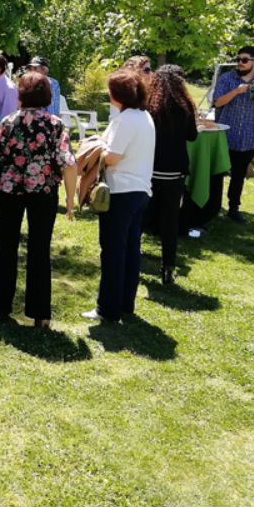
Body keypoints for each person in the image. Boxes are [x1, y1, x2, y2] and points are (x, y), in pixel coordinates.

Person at [0, 71, 77, 328]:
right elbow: (67, 162)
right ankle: (40, 314)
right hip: (43, 192)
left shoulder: (7, 122)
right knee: (39, 249)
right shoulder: (55, 125)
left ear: (22, 94)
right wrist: (70, 201)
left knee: (6, 246)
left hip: (9, 191)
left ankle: (0, 308)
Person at [82, 70, 155, 322]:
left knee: (113, 251)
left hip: (122, 192)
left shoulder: (126, 120)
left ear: (118, 95)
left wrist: (95, 151)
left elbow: (113, 157)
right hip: (140, 190)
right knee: (131, 250)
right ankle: (125, 304)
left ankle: (107, 308)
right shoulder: (144, 116)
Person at [145, 65, 198, 286]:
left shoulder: (148, 106)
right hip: (174, 171)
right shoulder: (184, 106)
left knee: (142, 217)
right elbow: (192, 136)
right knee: (170, 222)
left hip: (149, 169)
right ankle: (168, 267)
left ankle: (132, 257)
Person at [212, 45, 254, 222]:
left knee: (239, 175)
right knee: (216, 173)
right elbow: (217, 102)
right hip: (224, 135)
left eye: (244, 60)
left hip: (247, 137)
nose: (239, 63)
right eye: (238, 59)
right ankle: (212, 206)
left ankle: (233, 208)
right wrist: (236, 91)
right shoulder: (227, 79)